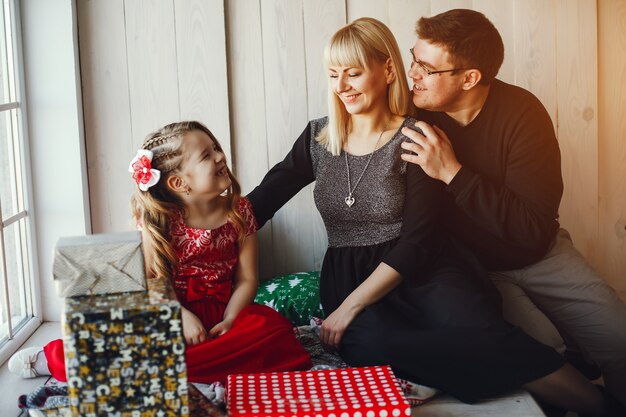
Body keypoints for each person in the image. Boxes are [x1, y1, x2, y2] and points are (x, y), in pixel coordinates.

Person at [247, 17, 610, 415]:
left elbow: (427, 237)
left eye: (353, 73)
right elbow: (262, 200)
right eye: (333, 74)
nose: (341, 85)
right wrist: (188, 229)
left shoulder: (428, 132)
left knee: (505, 334)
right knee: (373, 344)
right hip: (375, 271)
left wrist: (453, 171)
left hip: (480, 258)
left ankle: (601, 405)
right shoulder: (321, 136)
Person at [399, 9, 626, 410]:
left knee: (618, 337)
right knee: (543, 355)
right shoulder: (413, 112)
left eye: (426, 68)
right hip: (473, 267)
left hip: (540, 253)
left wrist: (453, 173)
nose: (412, 73)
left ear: (468, 78)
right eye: (413, 58)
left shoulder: (522, 113)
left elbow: (533, 228)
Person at [8, 121, 311, 384]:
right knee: (126, 339)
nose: (220, 156)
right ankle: (58, 359)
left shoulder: (240, 211)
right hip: (167, 312)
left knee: (272, 333)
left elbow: (246, 279)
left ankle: (185, 368)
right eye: (207, 155)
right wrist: (180, 317)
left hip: (222, 312)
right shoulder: (161, 219)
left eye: (216, 147)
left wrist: (230, 319)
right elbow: (150, 281)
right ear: (179, 183)